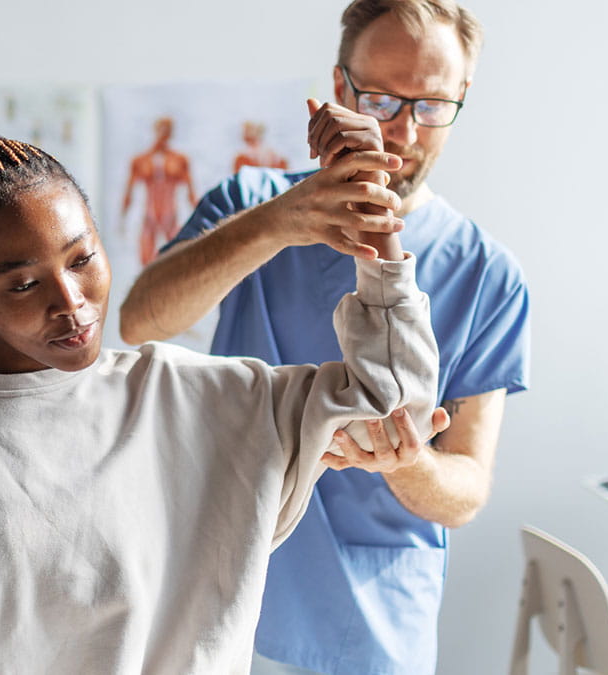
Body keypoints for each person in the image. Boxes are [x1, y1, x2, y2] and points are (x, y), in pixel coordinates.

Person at [0, 129, 444, 673]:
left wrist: (376, 223)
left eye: (82, 259)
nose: (70, 301)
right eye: (24, 283)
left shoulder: (194, 400)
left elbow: (394, 407)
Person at [120, 2, 530, 673]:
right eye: (379, 99)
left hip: (376, 628)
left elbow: (466, 488)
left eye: (430, 106)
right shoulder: (250, 200)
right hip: (231, 592)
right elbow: (142, 320)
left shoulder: (488, 275)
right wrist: (280, 221)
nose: (401, 131)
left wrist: (408, 464)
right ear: (339, 88)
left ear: (461, 98)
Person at [120, 116, 197, 266]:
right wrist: (123, 219)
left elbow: (191, 193)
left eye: (168, 128)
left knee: (176, 258)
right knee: (146, 261)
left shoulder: (180, 160)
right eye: (161, 128)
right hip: (150, 215)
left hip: (171, 214)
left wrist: (200, 218)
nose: (164, 132)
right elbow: (129, 191)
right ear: (155, 129)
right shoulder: (140, 160)